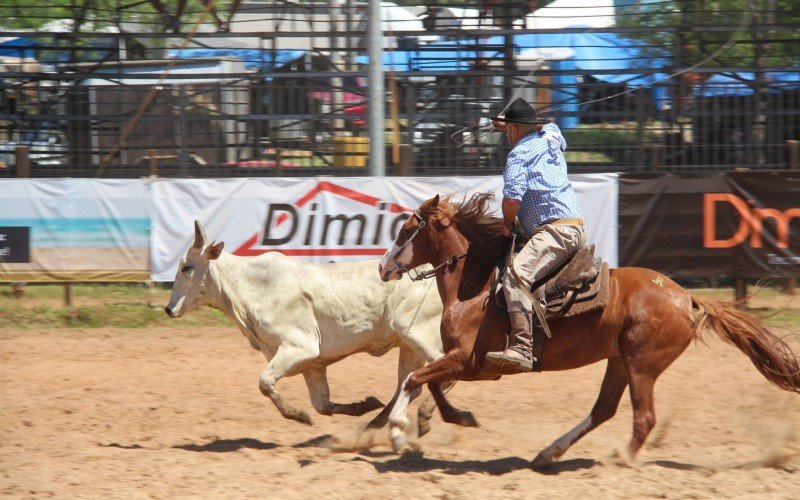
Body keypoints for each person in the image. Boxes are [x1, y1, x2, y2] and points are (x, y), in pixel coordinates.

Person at [485, 97, 586, 373]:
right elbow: (544, 125)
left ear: (515, 131)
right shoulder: (550, 136)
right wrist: (504, 125)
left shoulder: (518, 154)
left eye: (508, 131)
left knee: (516, 275)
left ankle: (522, 347)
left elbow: (512, 199)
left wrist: (507, 224)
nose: (507, 135)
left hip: (556, 232)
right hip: (571, 226)